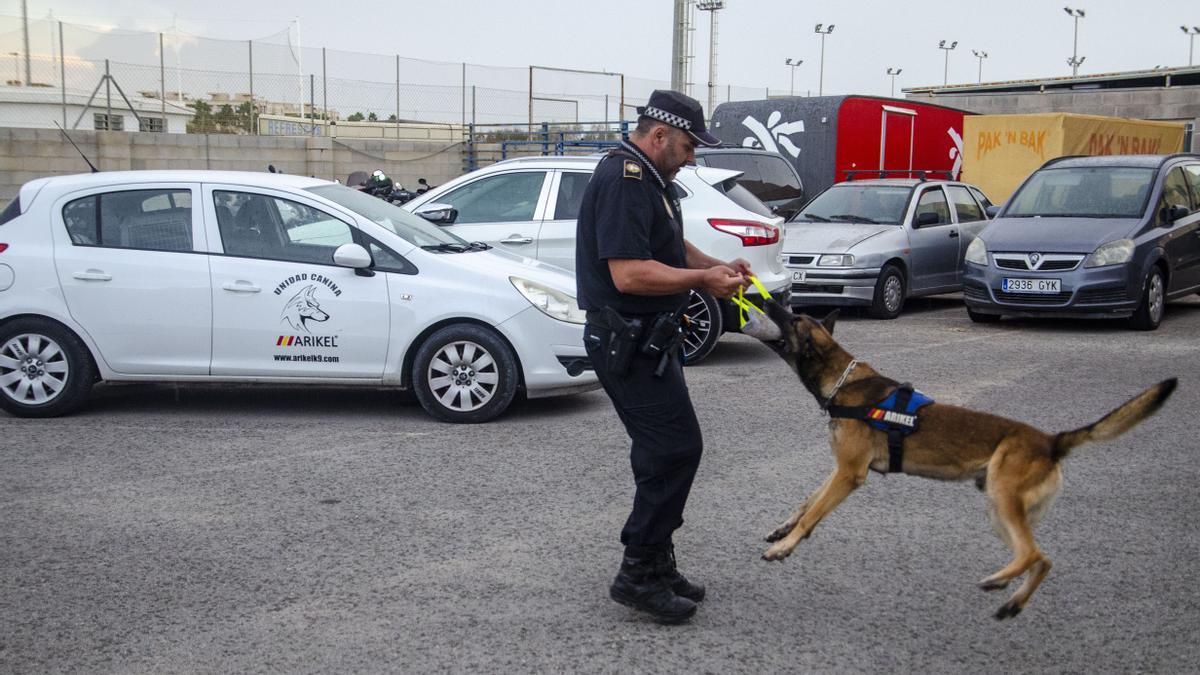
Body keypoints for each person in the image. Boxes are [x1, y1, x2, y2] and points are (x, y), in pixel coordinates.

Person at [575, 90, 753, 624]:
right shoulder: (625, 181)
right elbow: (628, 273)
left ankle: (655, 562)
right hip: (625, 341)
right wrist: (702, 281)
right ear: (659, 136)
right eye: (688, 145)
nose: (694, 156)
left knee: (665, 452)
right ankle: (638, 572)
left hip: (649, 338)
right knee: (675, 449)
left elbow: (669, 247)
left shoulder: (652, 179)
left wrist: (716, 265)